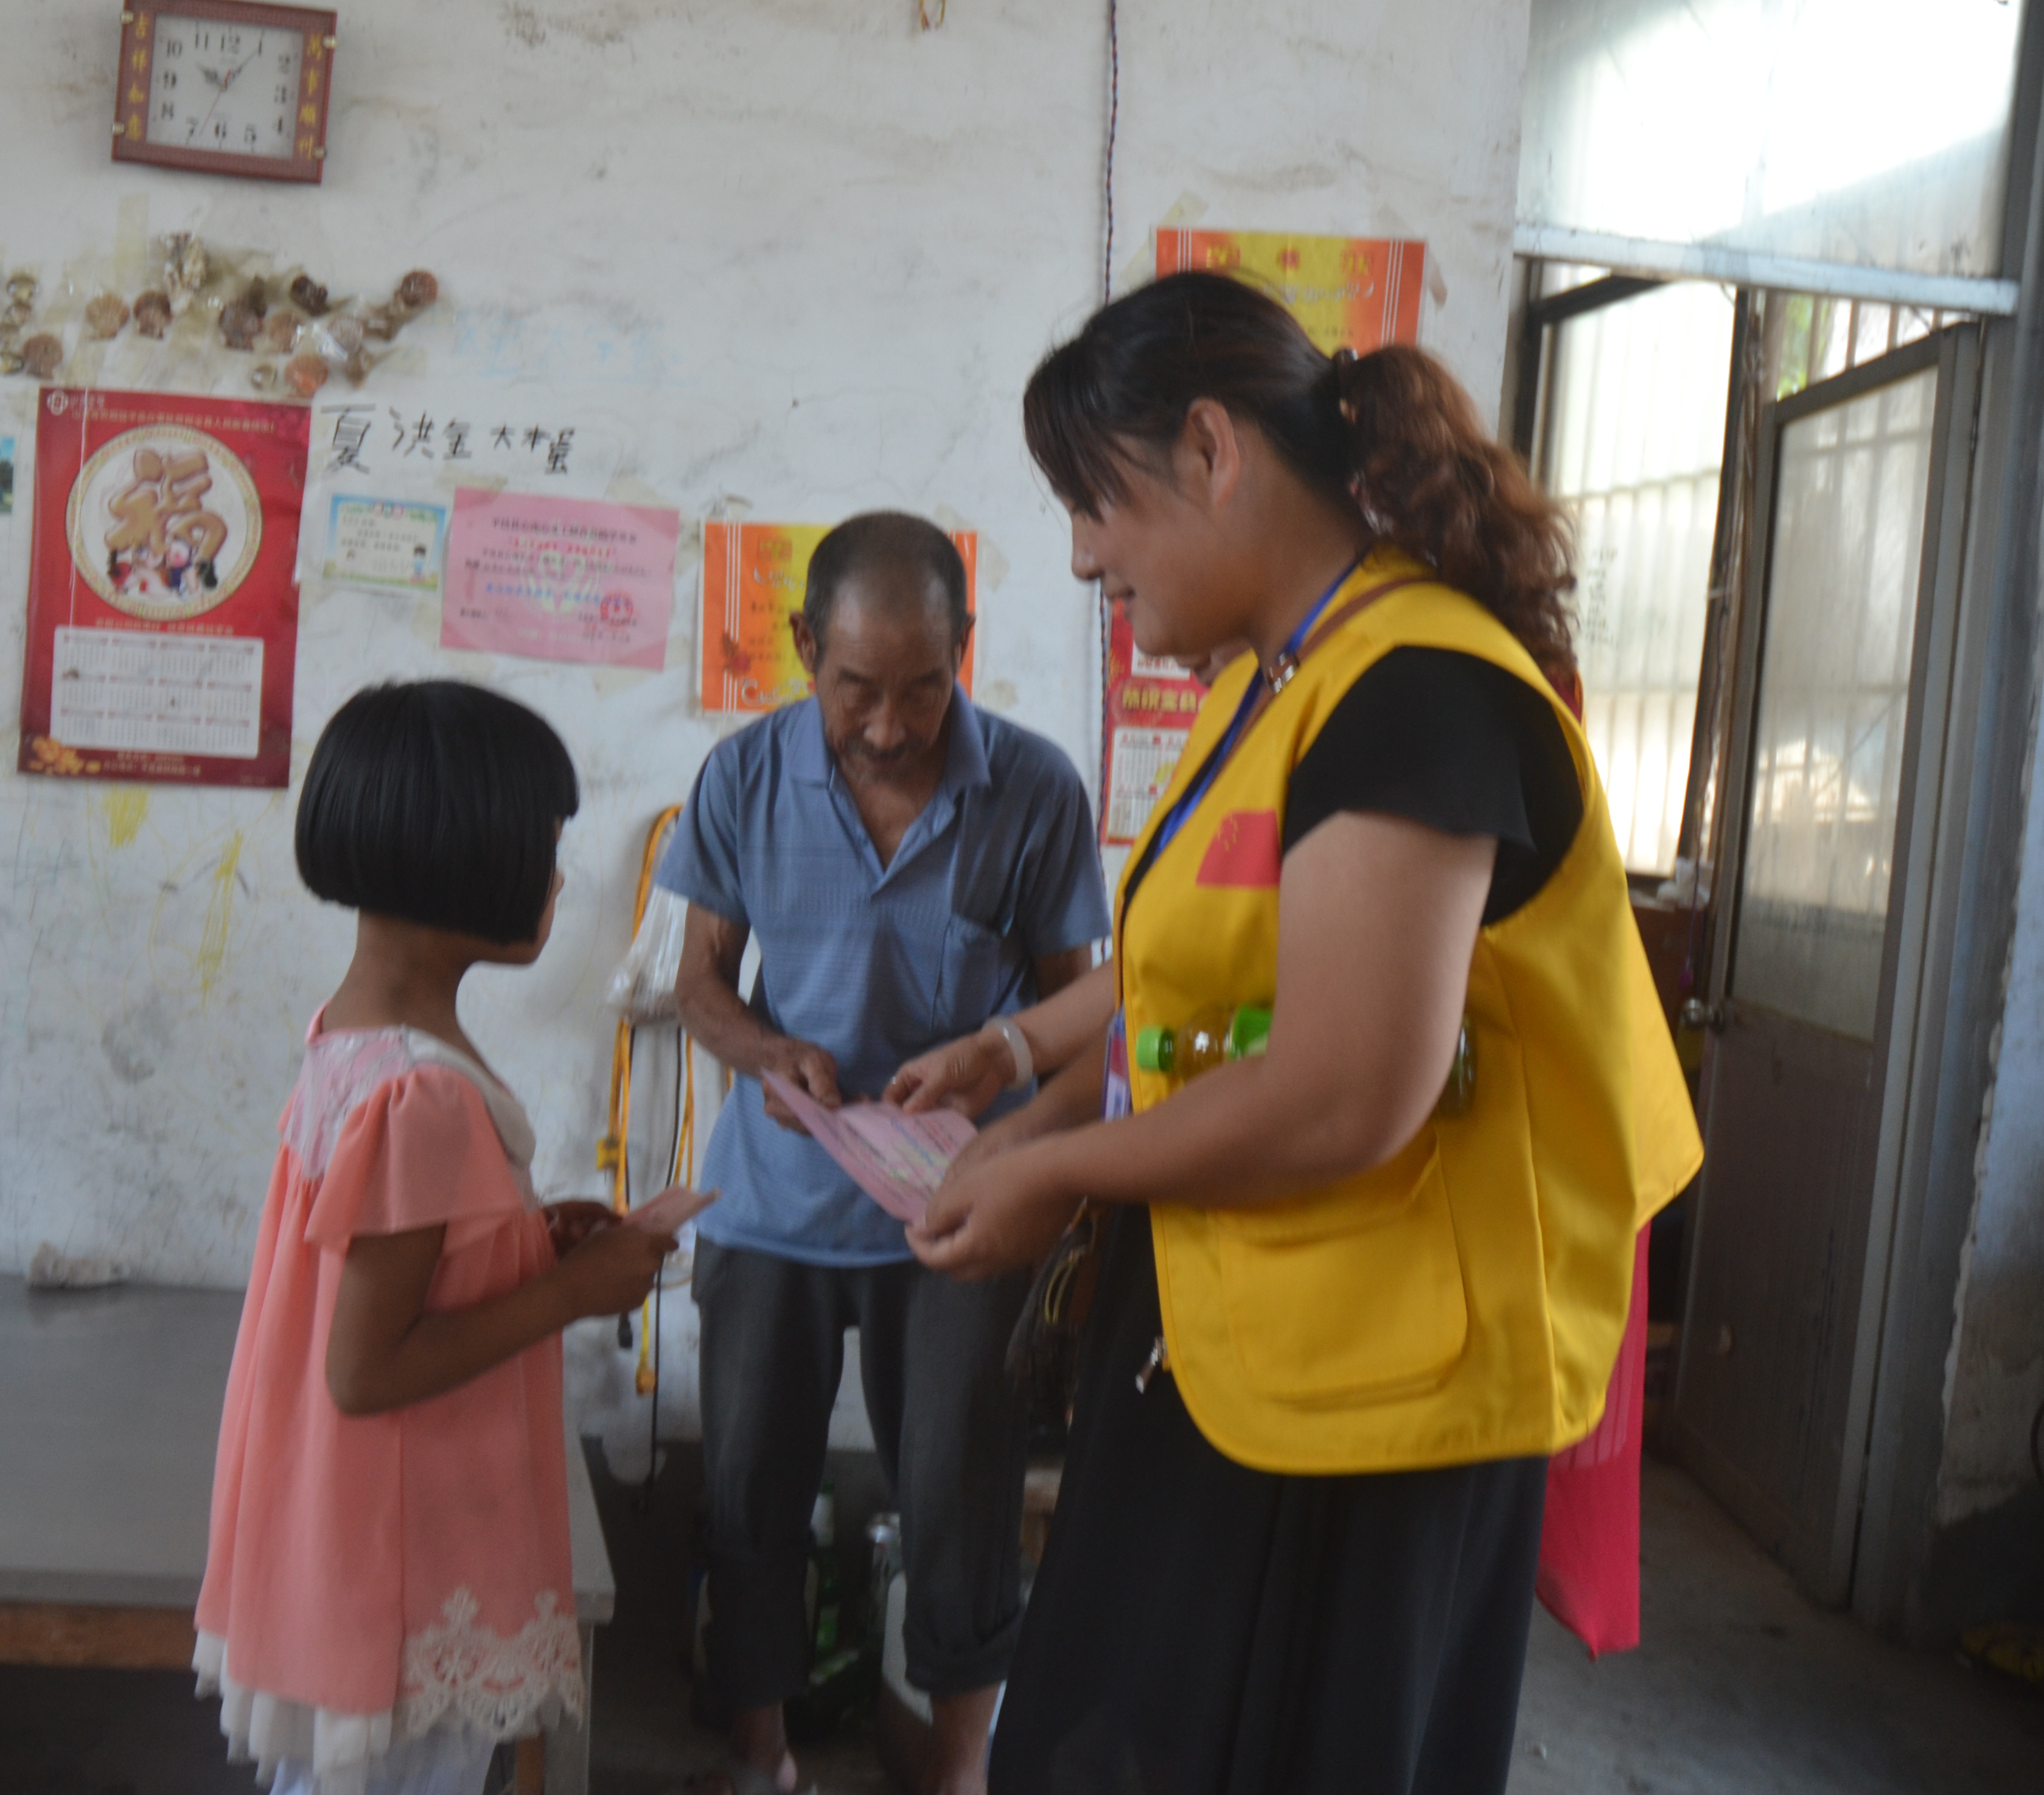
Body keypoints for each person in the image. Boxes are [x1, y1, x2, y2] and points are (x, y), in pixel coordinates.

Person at [904, 271, 1700, 1794]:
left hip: (1378, 1398)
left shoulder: (1419, 693)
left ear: (1211, 450)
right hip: (1248, 1340)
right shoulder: (1276, 685)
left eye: (1094, 501)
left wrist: (1063, 1173)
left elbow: (1346, 1090)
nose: (1081, 553)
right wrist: (1029, 1096)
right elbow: (1193, 982)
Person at [658, 512, 1111, 1795]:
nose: (892, 724)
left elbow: (1075, 1035)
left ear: (965, 649)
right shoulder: (743, 777)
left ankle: (957, 1772)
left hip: (955, 1223)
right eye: (857, 687)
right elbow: (698, 985)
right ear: (805, 648)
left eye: (925, 688)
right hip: (773, 1208)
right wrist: (766, 1054)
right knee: (750, 1489)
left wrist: (1015, 1173)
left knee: (961, 1499)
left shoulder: (1032, 789)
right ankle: (763, 1755)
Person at [192, 681, 677, 1795]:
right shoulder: (425, 1096)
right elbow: (367, 1368)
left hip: (355, 1536)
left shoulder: (351, 1048)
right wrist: (574, 1294)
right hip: (407, 1560)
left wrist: (528, 1243)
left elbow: (395, 1265)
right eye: (543, 846)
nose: (558, 878)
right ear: (461, 860)